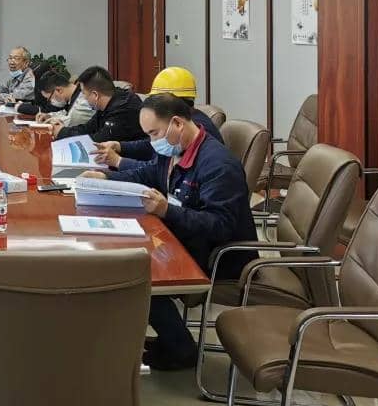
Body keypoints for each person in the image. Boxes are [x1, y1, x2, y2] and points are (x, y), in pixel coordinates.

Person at [80, 93, 257, 370]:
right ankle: (170, 340)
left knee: (134, 271)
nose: (153, 142)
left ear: (177, 123)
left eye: (155, 133)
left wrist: (167, 211)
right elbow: (148, 173)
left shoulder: (218, 165)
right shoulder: (174, 150)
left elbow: (220, 226)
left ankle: (180, 349)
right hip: (181, 237)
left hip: (218, 256)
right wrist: (106, 177)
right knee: (121, 256)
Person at [94, 67, 222, 166]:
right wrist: (120, 146)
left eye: (158, 99)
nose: (154, 104)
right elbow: (151, 147)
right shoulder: (185, 121)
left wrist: (119, 161)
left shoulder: (194, 130)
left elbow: (156, 170)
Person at [54, 66, 145, 142]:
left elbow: (98, 140)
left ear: (95, 95)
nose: (84, 98)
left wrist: (62, 133)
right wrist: (62, 130)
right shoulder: (106, 104)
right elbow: (87, 128)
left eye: (84, 94)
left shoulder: (123, 108)